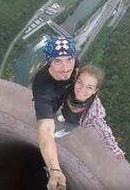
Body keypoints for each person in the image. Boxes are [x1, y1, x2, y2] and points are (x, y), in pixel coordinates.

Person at [32, 36, 78, 190]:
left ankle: (65, 118)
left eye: (69, 59)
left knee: (69, 114)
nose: (66, 68)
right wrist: (54, 169)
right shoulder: (42, 87)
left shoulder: (74, 65)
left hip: (66, 97)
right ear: (50, 62)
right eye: (58, 61)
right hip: (53, 102)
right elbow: (45, 131)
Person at [55, 65, 125, 161]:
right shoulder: (70, 88)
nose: (82, 89)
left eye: (89, 87)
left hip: (74, 121)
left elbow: (104, 131)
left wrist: (115, 149)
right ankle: (64, 117)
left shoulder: (94, 111)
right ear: (76, 81)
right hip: (66, 110)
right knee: (65, 114)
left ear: (94, 91)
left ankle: (66, 130)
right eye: (80, 83)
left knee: (69, 126)